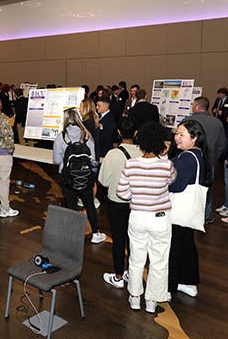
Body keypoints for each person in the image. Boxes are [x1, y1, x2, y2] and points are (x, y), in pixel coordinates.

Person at [117, 122, 177, 313]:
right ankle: (152, 301)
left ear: (140, 142)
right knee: (159, 261)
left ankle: (135, 297)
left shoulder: (131, 164)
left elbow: (122, 193)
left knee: (136, 259)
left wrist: (136, 195)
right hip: (160, 218)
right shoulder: (166, 165)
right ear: (161, 142)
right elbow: (172, 180)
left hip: (137, 217)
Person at [167, 120, 209, 298]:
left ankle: (169, 286)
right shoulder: (198, 155)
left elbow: (176, 186)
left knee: (174, 248)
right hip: (188, 211)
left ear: (194, 137)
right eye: (176, 133)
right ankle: (188, 282)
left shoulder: (187, 157)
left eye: (181, 134)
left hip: (178, 211)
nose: (177, 137)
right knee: (187, 245)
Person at [99, 117, 142, 289]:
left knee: (118, 239)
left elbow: (103, 180)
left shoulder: (113, 154)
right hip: (137, 203)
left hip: (116, 201)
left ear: (118, 132)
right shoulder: (143, 153)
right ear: (136, 133)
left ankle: (118, 275)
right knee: (134, 239)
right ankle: (132, 273)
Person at [53, 107, 105, 244]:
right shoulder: (87, 136)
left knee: (71, 204)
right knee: (89, 205)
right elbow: (93, 159)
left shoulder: (61, 138)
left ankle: (73, 234)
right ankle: (95, 233)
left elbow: (57, 160)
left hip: (67, 177)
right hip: (86, 177)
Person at [182, 97, 226, 223]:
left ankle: (188, 215)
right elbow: (222, 144)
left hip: (189, 162)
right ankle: (205, 216)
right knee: (207, 190)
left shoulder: (187, 121)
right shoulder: (217, 122)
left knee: (188, 189)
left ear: (196, 106)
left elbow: (180, 142)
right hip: (208, 163)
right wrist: (213, 159)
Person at [96, 96, 116, 161]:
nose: (97, 107)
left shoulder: (110, 119)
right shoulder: (98, 116)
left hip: (104, 150)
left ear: (106, 106)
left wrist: (101, 127)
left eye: (99, 106)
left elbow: (108, 135)